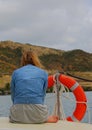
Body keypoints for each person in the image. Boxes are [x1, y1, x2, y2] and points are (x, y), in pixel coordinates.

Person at [9, 50, 58, 124]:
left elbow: (13, 95)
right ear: (36, 60)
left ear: (23, 60)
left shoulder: (15, 73)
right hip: (38, 114)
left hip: (17, 115)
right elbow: (42, 96)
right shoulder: (43, 73)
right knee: (42, 112)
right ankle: (43, 119)